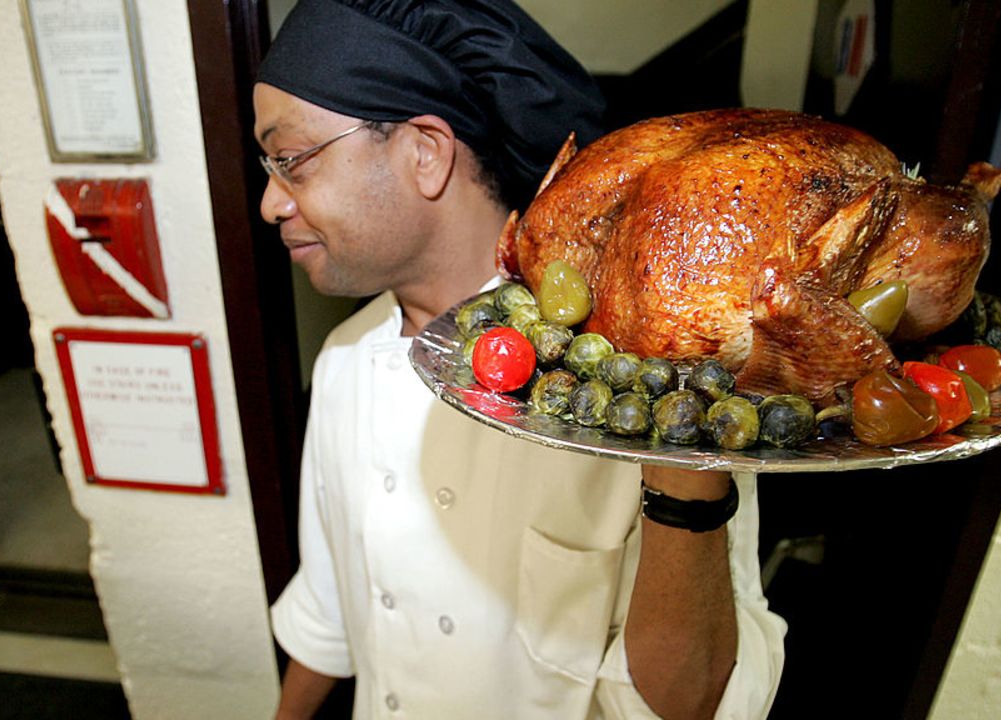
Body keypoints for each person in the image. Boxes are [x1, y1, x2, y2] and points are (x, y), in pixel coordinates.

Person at [254, 1, 786, 718]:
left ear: (424, 152)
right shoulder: (344, 362)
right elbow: (327, 614)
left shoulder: (645, 386)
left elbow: (690, 703)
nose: (268, 203)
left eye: (290, 161)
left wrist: (682, 471)